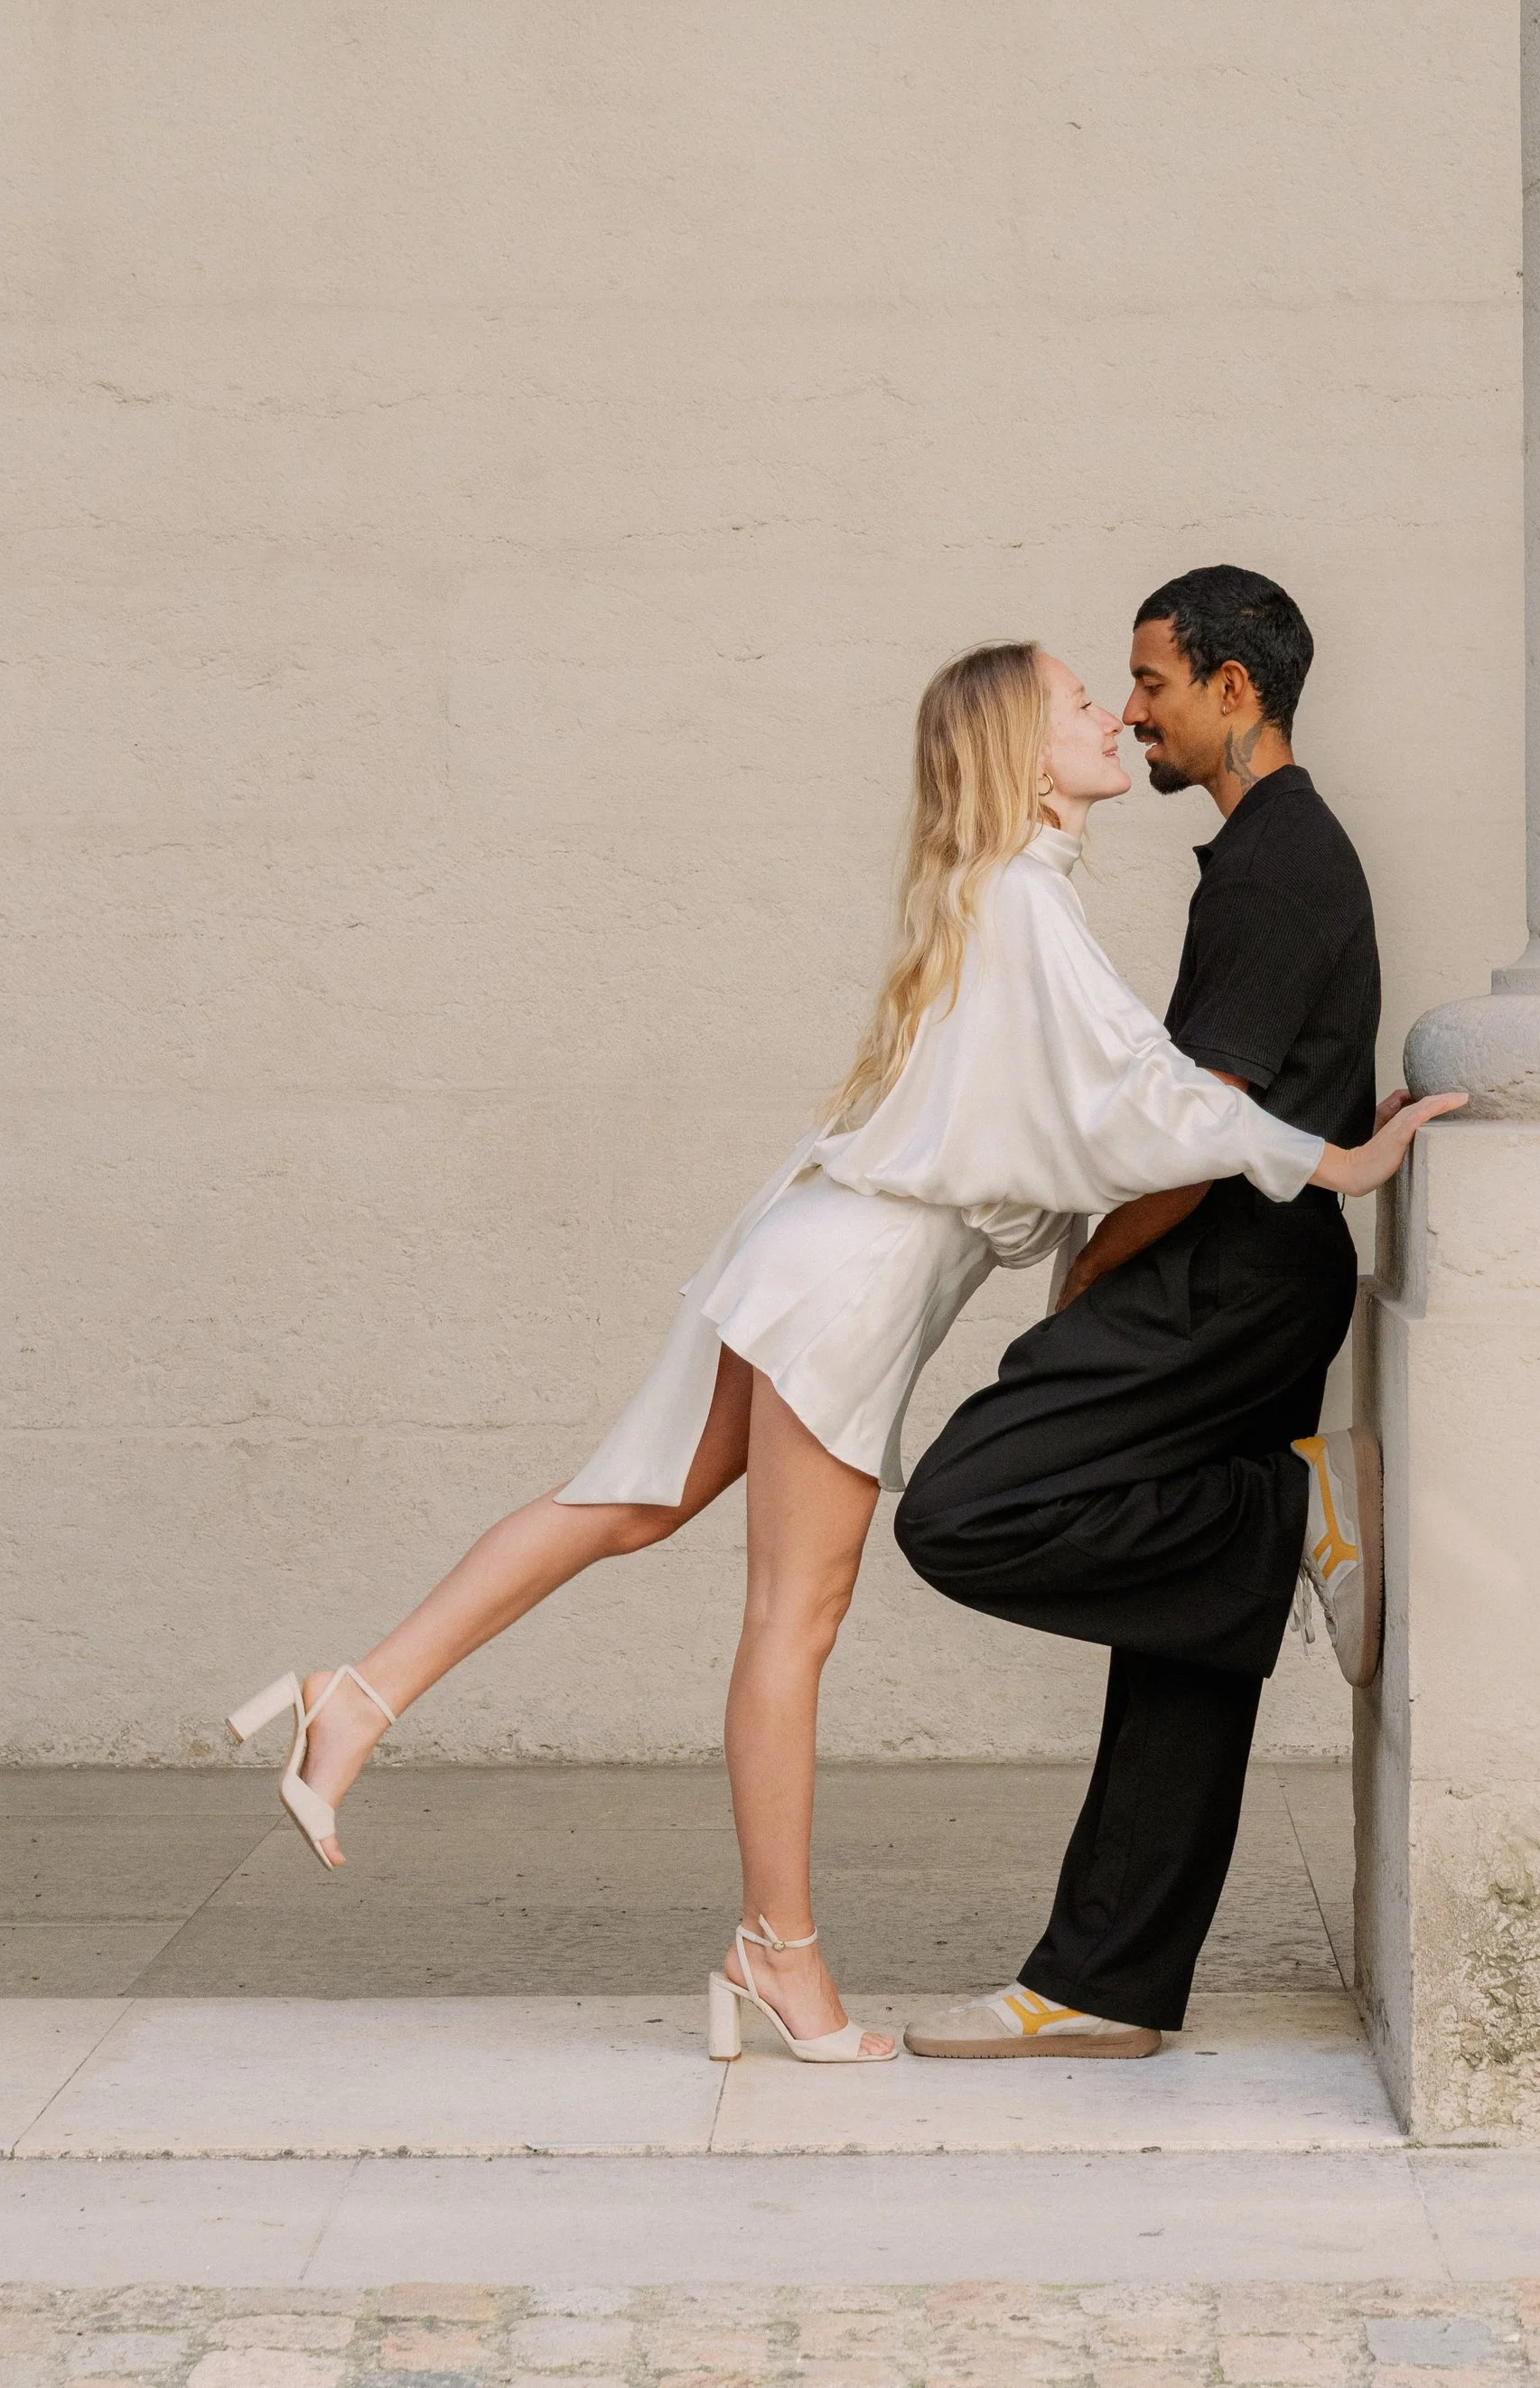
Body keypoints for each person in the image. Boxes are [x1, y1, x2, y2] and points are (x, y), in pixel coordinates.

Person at [226, 634, 1460, 2070]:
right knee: (789, 1622)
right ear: (1026, 757)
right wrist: (1338, 1159)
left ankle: (355, 1693)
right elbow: (1147, 1097)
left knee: (622, 1504)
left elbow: (1096, 1108)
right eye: (1079, 701)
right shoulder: (1025, 898)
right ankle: (778, 1954)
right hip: (849, 1283)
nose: (1110, 715)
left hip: (805, 1242)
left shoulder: (996, 891)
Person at [894, 567, 1408, 2061]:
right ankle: (1105, 1982)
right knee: (1189, 1640)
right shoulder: (1275, 853)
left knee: (963, 1502)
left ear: (1235, 687)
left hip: (1224, 1280)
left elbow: (1198, 1121)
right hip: (1261, 1278)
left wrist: (1090, 1274)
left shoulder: (1274, 864)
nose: (1133, 712)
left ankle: (1293, 1508)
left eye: (1154, 682)